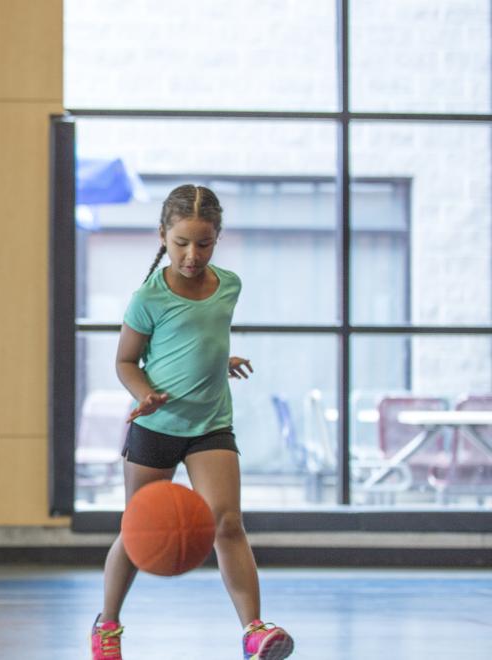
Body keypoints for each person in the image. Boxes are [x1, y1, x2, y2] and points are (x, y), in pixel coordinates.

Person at [91, 184, 294, 660]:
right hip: (156, 427)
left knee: (228, 523)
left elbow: (201, 339)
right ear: (163, 235)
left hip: (210, 425)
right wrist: (145, 396)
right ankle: (109, 625)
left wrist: (217, 360)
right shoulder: (148, 297)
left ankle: (252, 630)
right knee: (136, 531)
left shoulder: (229, 286)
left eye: (203, 243)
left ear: (217, 238)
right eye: (182, 242)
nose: (192, 254)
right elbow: (126, 362)